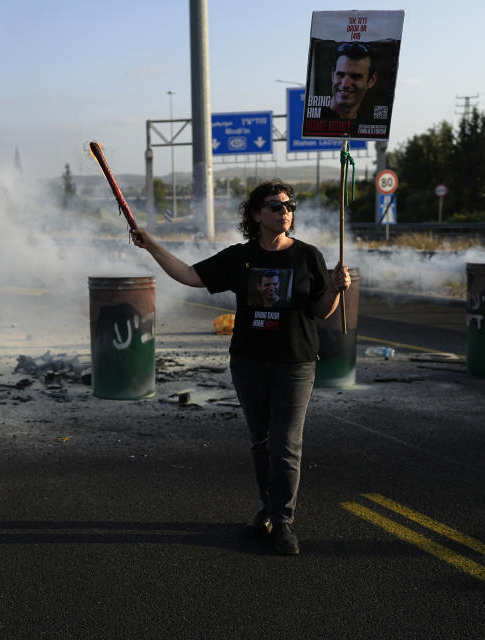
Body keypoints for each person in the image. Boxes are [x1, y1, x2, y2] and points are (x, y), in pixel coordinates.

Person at [131, 180, 350, 555]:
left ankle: (282, 520)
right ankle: (267, 509)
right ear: (256, 214)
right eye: (276, 206)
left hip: (295, 362)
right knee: (262, 441)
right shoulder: (240, 257)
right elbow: (190, 275)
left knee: (285, 444)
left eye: (290, 206)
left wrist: (334, 289)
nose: (286, 212)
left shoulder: (308, 256)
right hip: (249, 360)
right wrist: (152, 246)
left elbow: (319, 311)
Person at [325, 42, 377, 120]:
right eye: (340, 75)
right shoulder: (313, 119)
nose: (345, 84)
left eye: (355, 77)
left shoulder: (366, 124)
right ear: (333, 75)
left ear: (371, 81)